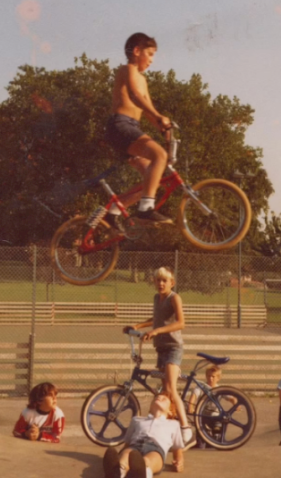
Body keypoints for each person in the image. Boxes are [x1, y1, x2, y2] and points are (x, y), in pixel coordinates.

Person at [104, 32, 174, 228]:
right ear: (136, 51)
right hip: (120, 125)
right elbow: (135, 97)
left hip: (129, 128)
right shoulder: (127, 70)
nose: (152, 60)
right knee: (160, 156)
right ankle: (146, 209)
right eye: (150, 54)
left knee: (151, 180)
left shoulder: (143, 80)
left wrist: (162, 126)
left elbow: (149, 110)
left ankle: (112, 212)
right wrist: (158, 117)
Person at [123, 267, 194, 448]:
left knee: (170, 388)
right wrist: (137, 325)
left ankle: (186, 429)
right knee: (164, 391)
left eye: (165, 280)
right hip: (161, 349)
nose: (161, 284)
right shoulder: (157, 298)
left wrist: (156, 331)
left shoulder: (174, 298)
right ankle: (171, 425)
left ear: (172, 283)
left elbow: (181, 323)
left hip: (173, 348)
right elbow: (156, 319)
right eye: (158, 280)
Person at [102, 393, 186, 478]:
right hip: (135, 446)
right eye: (156, 398)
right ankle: (116, 472)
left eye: (164, 399)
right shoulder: (137, 420)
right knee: (125, 457)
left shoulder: (173, 424)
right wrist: (121, 454)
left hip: (156, 449)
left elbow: (177, 447)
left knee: (147, 461)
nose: (159, 398)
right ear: (150, 407)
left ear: (170, 411)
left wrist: (179, 460)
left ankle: (141, 473)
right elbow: (127, 443)